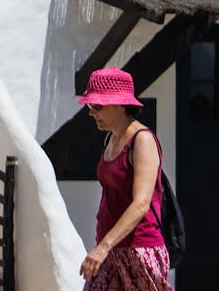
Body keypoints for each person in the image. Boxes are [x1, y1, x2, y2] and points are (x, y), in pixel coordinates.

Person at [78, 68, 169, 291]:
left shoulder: (142, 140)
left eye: (96, 106)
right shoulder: (111, 138)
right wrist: (104, 246)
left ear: (119, 104)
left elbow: (141, 204)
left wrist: (103, 248)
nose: (91, 112)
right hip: (110, 250)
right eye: (90, 106)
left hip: (138, 251)